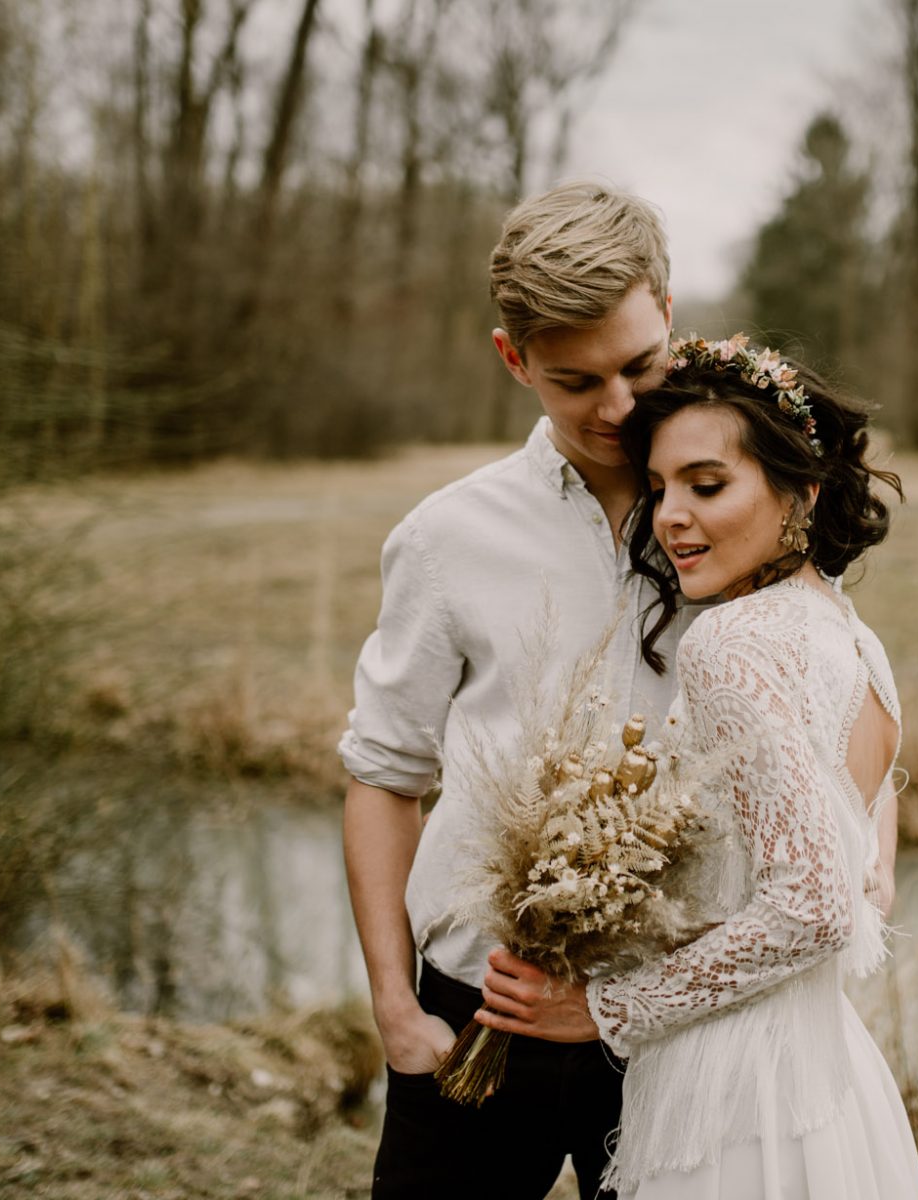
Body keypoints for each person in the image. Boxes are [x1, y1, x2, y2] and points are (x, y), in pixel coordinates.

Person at [471, 336, 918, 1198]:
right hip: (830, 1079)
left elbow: (817, 906)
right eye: (658, 489)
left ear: (801, 492)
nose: (671, 515)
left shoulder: (730, 643)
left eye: (706, 485)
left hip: (736, 1090)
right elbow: (864, 870)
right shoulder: (854, 639)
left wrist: (602, 1011)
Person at [338, 181, 691, 1200]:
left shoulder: (744, 517)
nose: (617, 406)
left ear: (668, 312)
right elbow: (383, 774)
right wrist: (397, 1011)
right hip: (481, 1017)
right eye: (574, 380)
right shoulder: (448, 539)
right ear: (513, 359)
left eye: (638, 365)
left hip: (673, 1031)